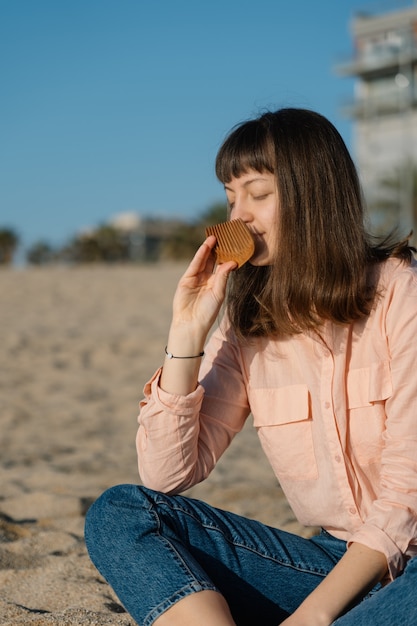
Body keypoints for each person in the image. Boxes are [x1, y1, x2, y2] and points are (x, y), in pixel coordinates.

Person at [84, 108, 417, 626]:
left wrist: (310, 617)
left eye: (258, 194)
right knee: (122, 513)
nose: (238, 216)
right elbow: (167, 476)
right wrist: (186, 335)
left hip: (407, 565)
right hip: (332, 563)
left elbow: (406, 496)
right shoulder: (249, 324)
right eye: (229, 197)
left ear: (314, 195)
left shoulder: (401, 291)